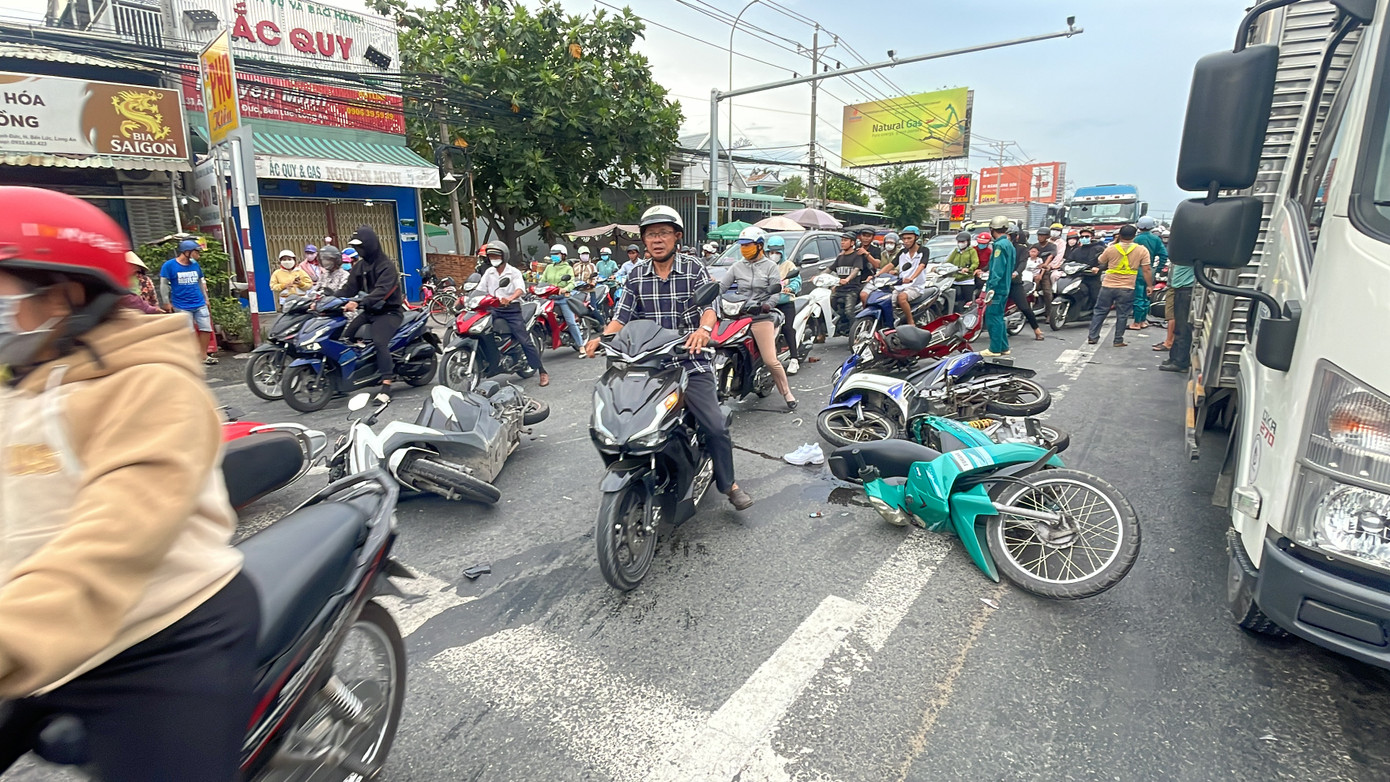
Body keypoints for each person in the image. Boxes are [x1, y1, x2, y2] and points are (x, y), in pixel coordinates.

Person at [0, 187, 254, 780]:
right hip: (38, 634)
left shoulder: (152, 387)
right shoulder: (21, 381)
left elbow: (116, 535)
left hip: (159, 636)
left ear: (62, 291)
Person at [584, 205, 752, 510]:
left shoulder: (693, 268)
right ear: (644, 240)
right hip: (647, 362)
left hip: (689, 357)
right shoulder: (636, 275)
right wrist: (602, 338)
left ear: (676, 236)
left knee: (714, 425)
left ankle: (729, 484)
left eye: (663, 233)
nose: (656, 239)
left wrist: (703, 330)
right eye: (650, 234)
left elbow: (709, 307)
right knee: (618, 416)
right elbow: (622, 317)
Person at [721, 226, 796, 410]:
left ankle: (787, 393)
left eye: (748, 245)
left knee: (770, 360)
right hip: (738, 315)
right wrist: (709, 294)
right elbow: (722, 287)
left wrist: (767, 305)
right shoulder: (737, 266)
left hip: (760, 316)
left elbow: (776, 291)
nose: (744, 249)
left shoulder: (770, 266)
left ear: (760, 246)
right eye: (742, 246)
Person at [338, 226, 405, 391]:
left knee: (379, 342)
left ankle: (386, 385)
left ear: (370, 245)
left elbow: (382, 291)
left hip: (389, 312)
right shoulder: (360, 266)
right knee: (345, 337)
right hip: (370, 311)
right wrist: (330, 299)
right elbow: (349, 288)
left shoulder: (386, 266)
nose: (358, 250)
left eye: (360, 246)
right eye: (356, 247)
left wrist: (358, 303)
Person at [478, 240, 548, 386]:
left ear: (504, 256)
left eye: (496, 256)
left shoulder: (513, 272)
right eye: (490, 256)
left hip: (511, 311)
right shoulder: (489, 272)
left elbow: (520, 289)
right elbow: (480, 289)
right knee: (481, 330)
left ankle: (541, 371)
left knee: (524, 340)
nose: (493, 259)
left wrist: (509, 298)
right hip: (493, 309)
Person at [1087, 223, 1153, 347]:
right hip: (1127, 287)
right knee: (1122, 314)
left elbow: (1101, 260)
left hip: (1108, 285)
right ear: (1135, 235)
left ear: (1120, 235)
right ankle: (1118, 340)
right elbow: (1147, 270)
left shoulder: (1111, 248)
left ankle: (1093, 337)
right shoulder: (1142, 250)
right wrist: (1149, 285)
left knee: (1100, 311)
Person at [158, 238, 217, 365]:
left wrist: (206, 299)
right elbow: (163, 284)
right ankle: (193, 355)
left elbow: (200, 281)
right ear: (187, 252)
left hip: (199, 302)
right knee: (188, 331)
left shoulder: (195, 265)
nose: (198, 255)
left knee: (206, 328)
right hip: (181, 305)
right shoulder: (169, 265)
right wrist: (166, 301)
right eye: (196, 252)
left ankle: (203, 355)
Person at [540, 243, 586, 354]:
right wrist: (537, 288)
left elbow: (571, 283)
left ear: (563, 255)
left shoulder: (567, 268)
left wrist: (565, 289)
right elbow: (542, 281)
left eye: (556, 254)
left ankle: (581, 346)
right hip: (550, 299)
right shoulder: (549, 268)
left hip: (563, 299)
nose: (554, 256)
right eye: (552, 254)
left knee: (571, 322)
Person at [768, 234, 804, 374]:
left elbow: (797, 281)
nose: (774, 255)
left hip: (785, 302)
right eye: (771, 251)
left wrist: (790, 288)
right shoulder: (765, 265)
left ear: (782, 251)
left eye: (777, 252)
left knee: (788, 329)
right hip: (768, 303)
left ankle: (794, 359)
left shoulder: (789, 265)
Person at [980, 216, 1015, 357]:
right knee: (999, 316)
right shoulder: (1009, 244)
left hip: (997, 287)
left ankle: (994, 349)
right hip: (1005, 286)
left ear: (992, 229)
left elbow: (997, 269)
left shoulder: (999, 246)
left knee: (992, 316)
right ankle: (1004, 347)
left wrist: (992, 286)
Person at [1159, 238, 1194, 373]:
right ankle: (1174, 358)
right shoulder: (1181, 253)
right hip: (1179, 289)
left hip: (1186, 290)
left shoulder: (1190, 252)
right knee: (1179, 327)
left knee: (1183, 327)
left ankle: (1180, 361)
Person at [1007, 226, 1045, 342]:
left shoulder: (1021, 249)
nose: (1007, 238)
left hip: (1014, 282)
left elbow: (1022, 263)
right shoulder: (999, 247)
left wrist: (1016, 272)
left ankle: (1037, 329)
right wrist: (982, 270)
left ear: (1016, 237)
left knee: (1024, 307)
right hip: (1000, 282)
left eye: (1009, 235)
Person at [830, 231, 871, 336]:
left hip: (851, 290)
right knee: (828, 306)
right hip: (839, 289)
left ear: (852, 243)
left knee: (849, 312)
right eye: (842, 240)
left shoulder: (856, 256)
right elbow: (829, 268)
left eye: (845, 240)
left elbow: (856, 270)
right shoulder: (840, 257)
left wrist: (848, 279)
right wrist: (818, 276)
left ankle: (854, 335)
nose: (842, 243)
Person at [1132, 215, 1169, 331]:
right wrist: (1157, 269)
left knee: (1138, 297)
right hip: (1150, 270)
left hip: (1137, 270)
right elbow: (1164, 255)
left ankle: (1137, 322)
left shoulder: (1136, 240)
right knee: (1147, 295)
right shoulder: (1156, 239)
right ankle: (1143, 321)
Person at [890, 225, 930, 327]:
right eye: (904, 238)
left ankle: (910, 321)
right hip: (900, 284)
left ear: (916, 238)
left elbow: (922, 265)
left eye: (909, 238)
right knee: (887, 298)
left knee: (901, 298)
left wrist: (912, 278)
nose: (906, 241)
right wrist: (878, 274)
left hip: (915, 286)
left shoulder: (924, 251)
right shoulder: (902, 252)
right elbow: (891, 264)